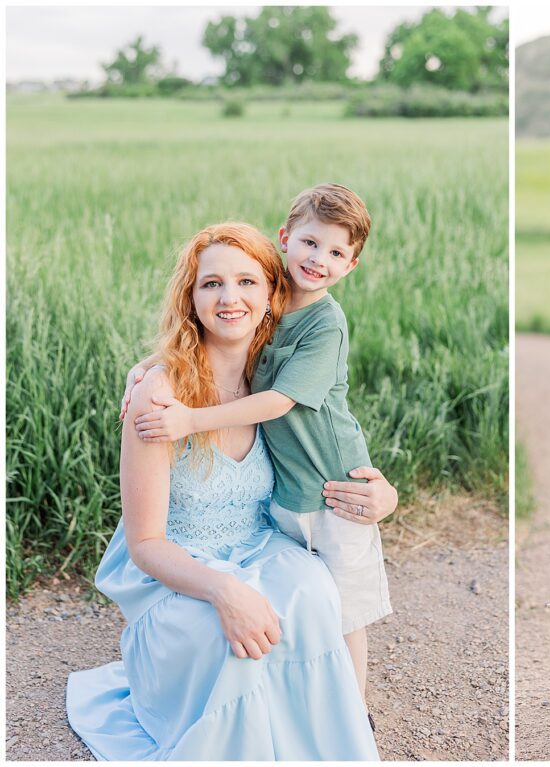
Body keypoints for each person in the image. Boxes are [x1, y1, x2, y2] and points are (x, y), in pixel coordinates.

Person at [66, 222, 384, 760]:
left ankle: (320, 729)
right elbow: (145, 545)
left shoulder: (271, 379)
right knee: (229, 639)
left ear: (271, 294)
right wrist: (222, 590)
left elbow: (334, 435)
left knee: (313, 593)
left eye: (246, 282)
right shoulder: (161, 398)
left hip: (256, 545)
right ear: (191, 298)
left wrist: (384, 494)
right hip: (175, 566)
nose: (230, 298)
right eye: (211, 284)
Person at [127, 184, 390, 705]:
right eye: (310, 245)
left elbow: (278, 403)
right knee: (285, 619)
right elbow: (201, 337)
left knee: (339, 606)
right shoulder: (268, 315)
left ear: (352, 265)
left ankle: (352, 708)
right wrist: (148, 367)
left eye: (337, 253)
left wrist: (190, 421)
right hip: (274, 509)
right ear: (286, 241)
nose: (318, 260)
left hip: (336, 489)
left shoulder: (321, 324)